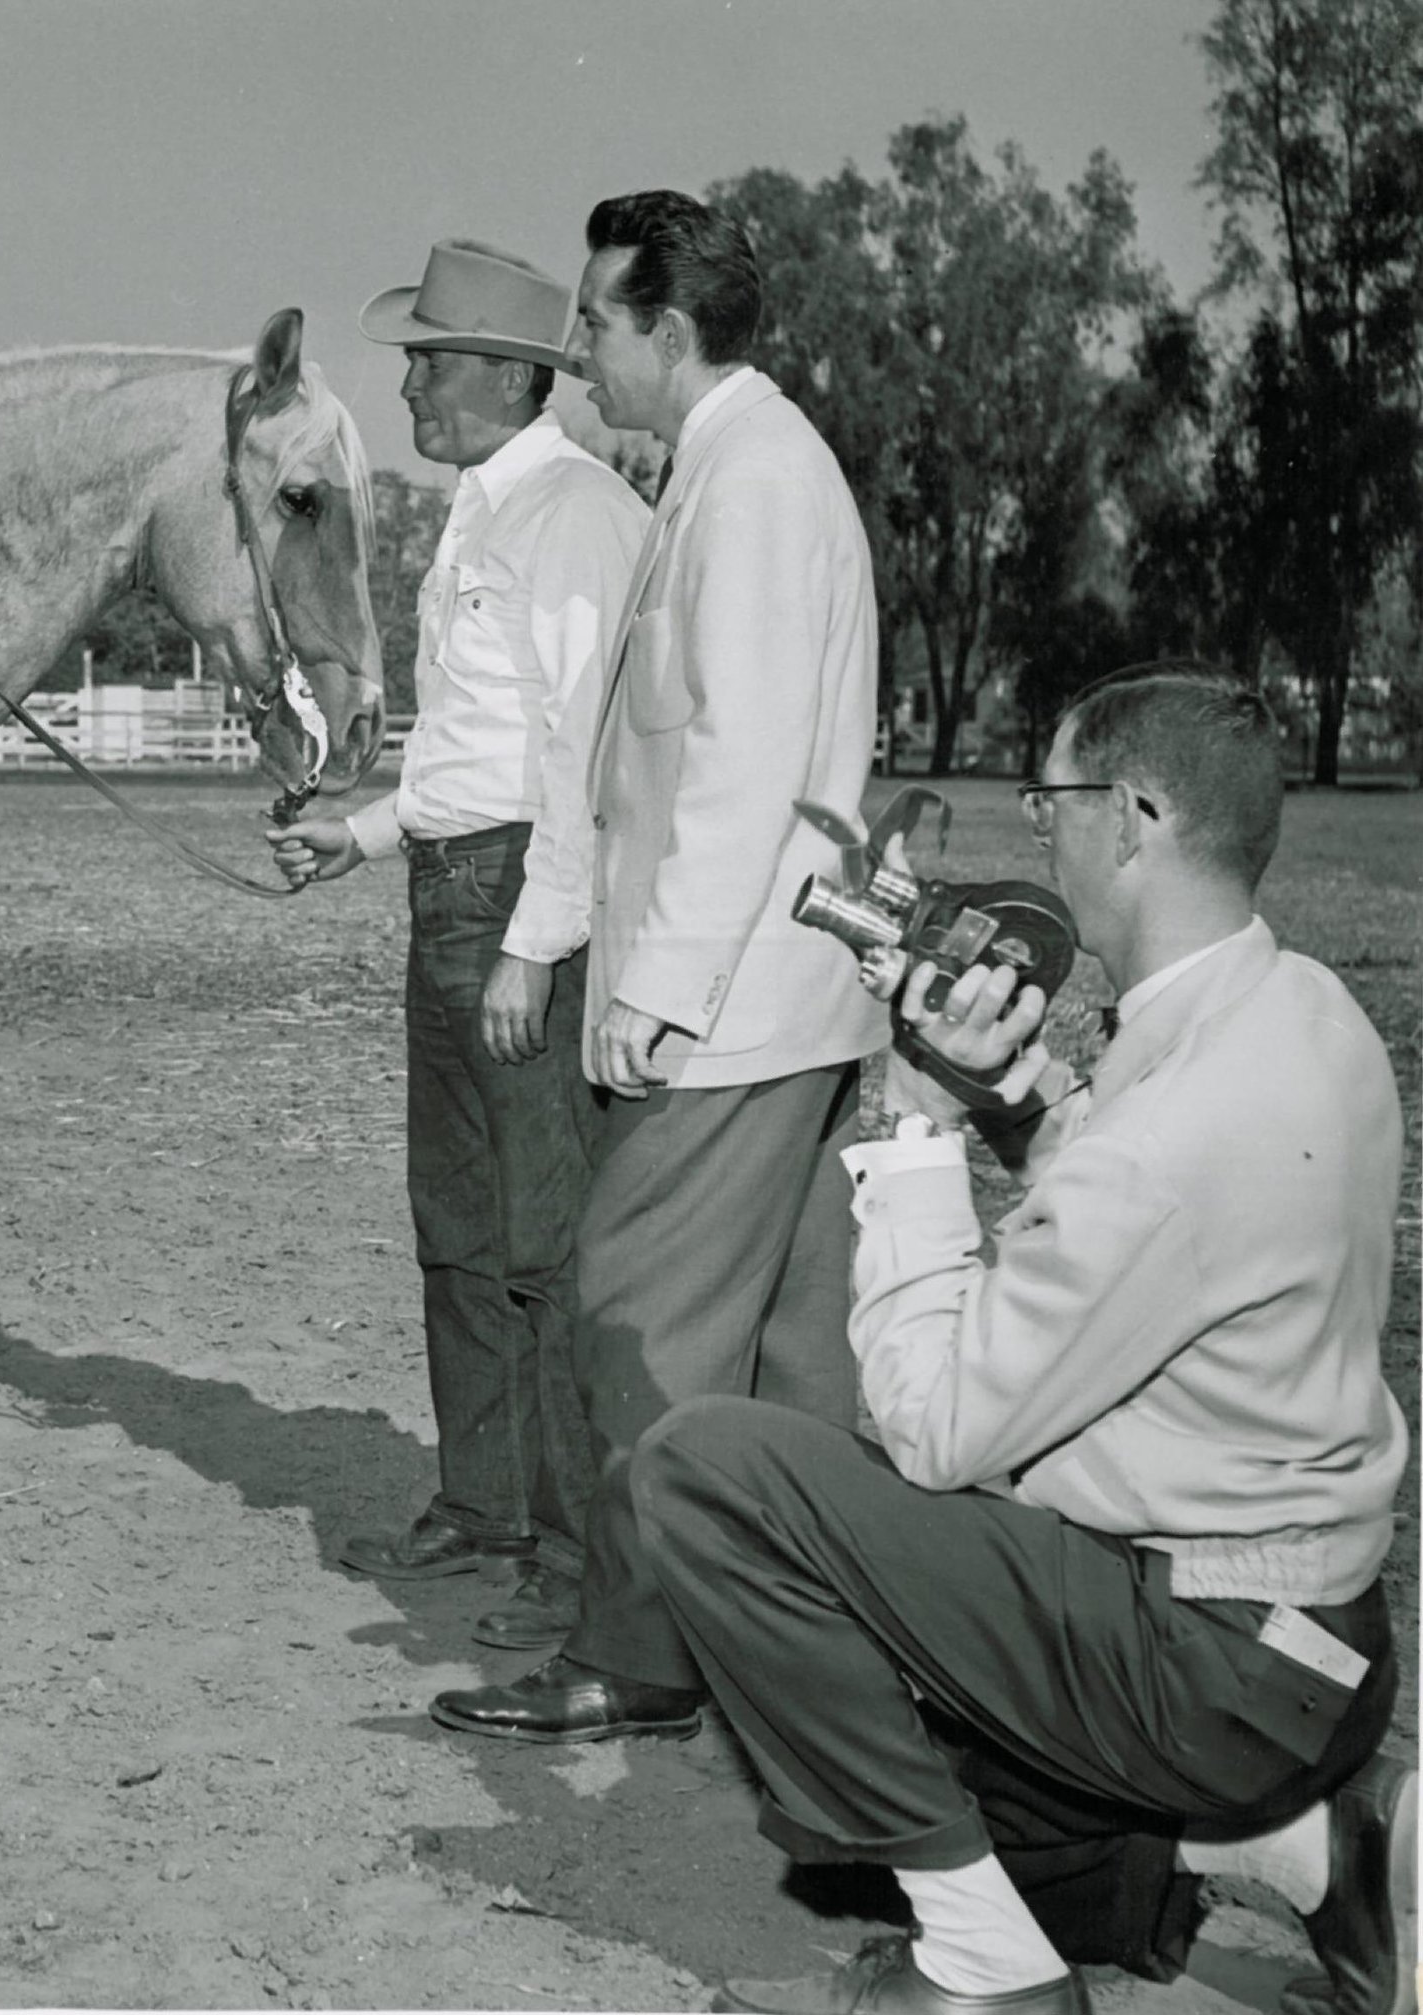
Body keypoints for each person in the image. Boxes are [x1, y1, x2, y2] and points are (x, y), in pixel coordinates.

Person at [624, 664, 1415, 2015]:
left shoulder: (1179, 1129)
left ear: (1137, 815)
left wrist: (920, 1117)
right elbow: (1157, 1211)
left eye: (1050, 801)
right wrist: (1015, 1097)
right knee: (896, 1809)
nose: (1035, 830)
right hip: (1320, 1638)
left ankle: (992, 1973)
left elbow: (933, 1427)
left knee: (707, 1478)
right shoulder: (1300, 1015)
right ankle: (1309, 1849)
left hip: (1212, 1670)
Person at [428, 189, 887, 1735]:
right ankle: (835, 1647)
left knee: (639, 1329)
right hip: (783, 1003)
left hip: (731, 1010)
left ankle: (638, 1658)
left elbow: (742, 769)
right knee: (799, 1362)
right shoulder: (735, 468)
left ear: (667, 334)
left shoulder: (753, 483)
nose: (580, 350)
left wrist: (653, 993)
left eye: (596, 323)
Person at [267, 240, 647, 1647]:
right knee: (460, 1229)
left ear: (507, 373)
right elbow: (478, 746)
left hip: (518, 907)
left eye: (431, 359)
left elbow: (582, 757)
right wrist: (364, 835)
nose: (413, 383)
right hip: (455, 888)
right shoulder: (488, 514)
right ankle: (483, 1507)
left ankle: (568, 1556)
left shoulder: (579, 518)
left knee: (546, 1242)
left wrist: (534, 946)